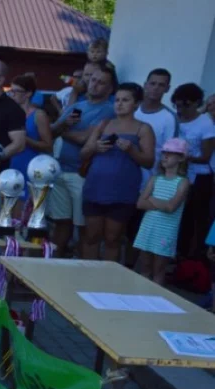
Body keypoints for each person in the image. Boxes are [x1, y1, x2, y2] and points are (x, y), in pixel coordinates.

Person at [79, 83, 155, 262]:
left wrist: (132, 151)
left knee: (113, 239)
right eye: (118, 100)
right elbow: (83, 154)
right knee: (91, 236)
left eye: (126, 100)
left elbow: (149, 161)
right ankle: (86, 276)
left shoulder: (143, 128)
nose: (120, 104)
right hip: (95, 188)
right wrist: (95, 147)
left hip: (122, 192)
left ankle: (108, 280)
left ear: (136, 104)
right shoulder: (104, 124)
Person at [49, 62, 117, 256]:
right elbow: (51, 131)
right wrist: (63, 127)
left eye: (101, 83)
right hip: (61, 170)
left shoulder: (109, 110)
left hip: (83, 173)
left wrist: (65, 129)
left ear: (110, 88)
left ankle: (81, 268)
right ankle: (52, 263)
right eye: (93, 80)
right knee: (61, 222)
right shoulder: (78, 105)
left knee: (84, 227)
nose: (94, 85)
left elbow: (85, 139)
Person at [134, 138, 191, 285]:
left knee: (158, 270)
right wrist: (162, 204)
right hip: (148, 228)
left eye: (171, 154)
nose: (165, 156)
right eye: (164, 153)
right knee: (145, 268)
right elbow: (140, 203)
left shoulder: (183, 182)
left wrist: (151, 199)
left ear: (181, 158)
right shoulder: (155, 179)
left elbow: (171, 207)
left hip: (165, 231)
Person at [173, 83, 215, 260]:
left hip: (199, 177)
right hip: (177, 173)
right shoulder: (174, 118)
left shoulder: (205, 124)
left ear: (196, 103)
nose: (182, 109)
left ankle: (189, 259)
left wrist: (183, 156)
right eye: (178, 105)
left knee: (193, 219)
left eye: (186, 105)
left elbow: (206, 156)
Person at [8, 74, 54, 197]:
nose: (12, 95)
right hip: (9, 164)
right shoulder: (9, 113)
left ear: (28, 94)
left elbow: (48, 146)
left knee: (22, 211)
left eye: (15, 91)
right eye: (10, 91)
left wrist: (24, 139)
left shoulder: (38, 115)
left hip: (29, 165)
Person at [135, 69, 178, 189]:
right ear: (145, 84)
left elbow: (169, 153)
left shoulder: (169, 118)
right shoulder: (132, 108)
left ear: (167, 89)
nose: (155, 88)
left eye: (161, 85)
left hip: (148, 181)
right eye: (152, 83)